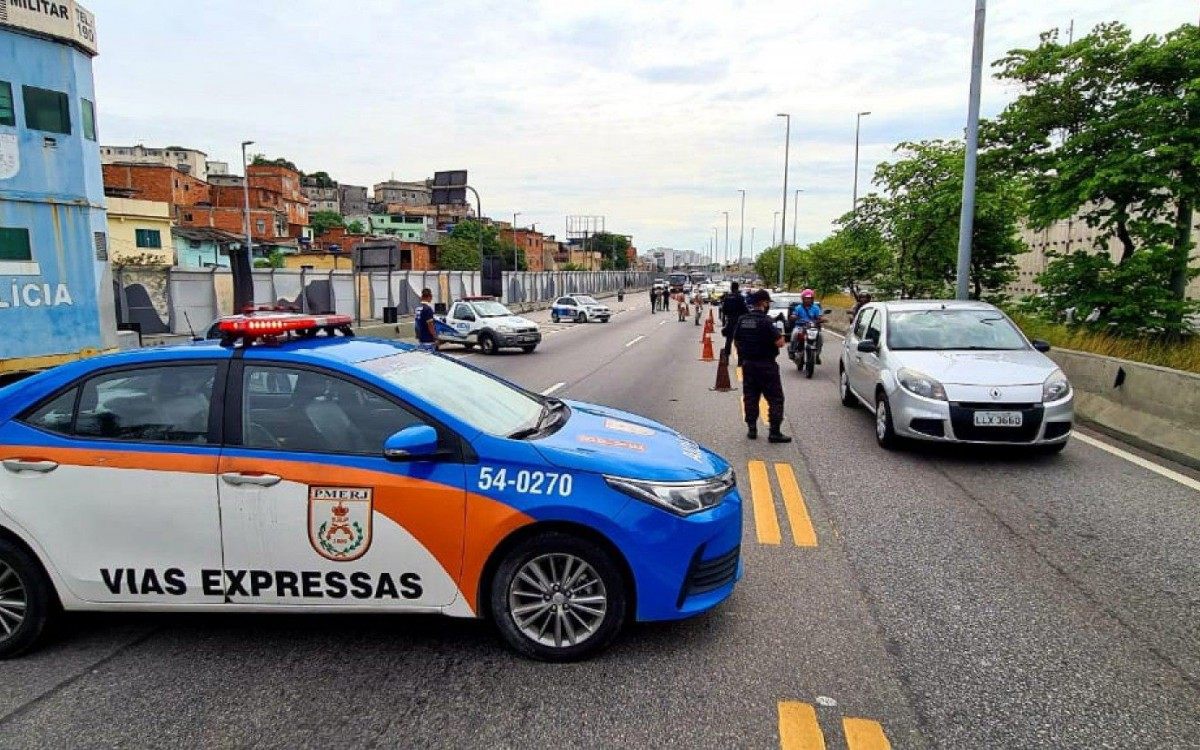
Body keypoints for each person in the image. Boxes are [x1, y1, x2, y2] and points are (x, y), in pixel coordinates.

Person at [734, 290, 791, 443]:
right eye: (767, 303)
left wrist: (744, 353)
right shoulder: (767, 322)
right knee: (776, 399)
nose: (767, 305)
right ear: (763, 303)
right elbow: (780, 342)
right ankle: (774, 432)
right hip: (766, 365)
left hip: (748, 364)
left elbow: (736, 340)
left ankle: (752, 428)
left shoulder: (743, 319)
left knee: (751, 396)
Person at [789, 289, 825, 364]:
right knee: (794, 333)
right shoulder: (798, 308)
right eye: (806, 298)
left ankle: (817, 354)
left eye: (810, 298)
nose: (808, 300)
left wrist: (822, 319)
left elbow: (819, 316)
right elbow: (794, 315)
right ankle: (792, 351)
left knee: (820, 336)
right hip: (800, 326)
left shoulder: (816, 308)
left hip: (813, 327)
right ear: (803, 299)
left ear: (812, 299)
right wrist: (794, 316)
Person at [720, 281, 749, 356]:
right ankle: (740, 358)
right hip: (739, 321)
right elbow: (745, 310)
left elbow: (724, 310)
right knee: (740, 340)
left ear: (731, 288)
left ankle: (726, 356)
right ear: (737, 288)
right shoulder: (740, 297)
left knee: (729, 340)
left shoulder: (727, 297)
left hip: (730, 320)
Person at [415, 288, 438, 352]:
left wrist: (418, 335)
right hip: (428, 340)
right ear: (430, 297)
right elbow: (430, 326)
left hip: (421, 338)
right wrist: (435, 337)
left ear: (422, 297)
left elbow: (416, 324)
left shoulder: (417, 308)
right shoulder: (428, 309)